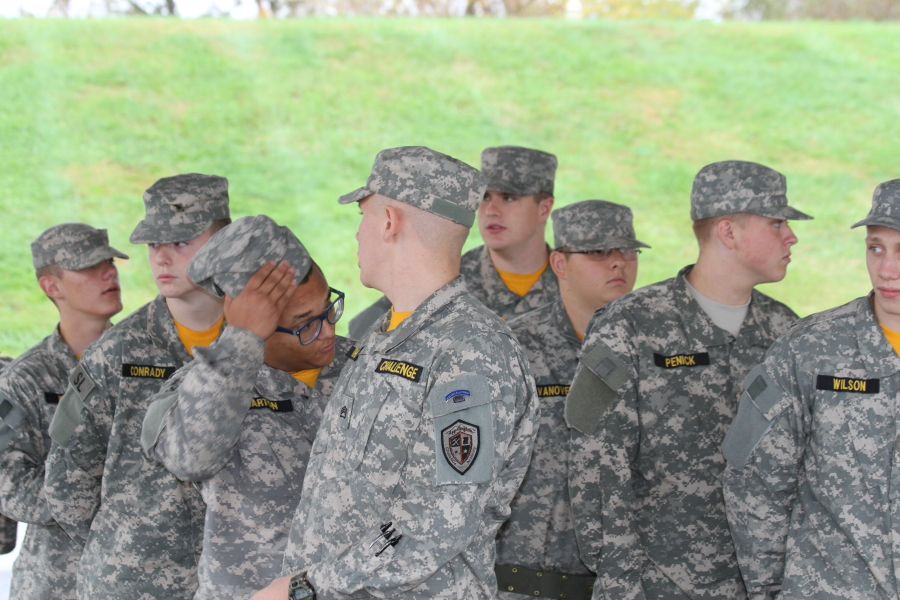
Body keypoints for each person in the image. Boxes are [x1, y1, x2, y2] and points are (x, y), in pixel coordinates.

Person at [251, 146, 539, 600]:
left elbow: (436, 522)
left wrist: (309, 586)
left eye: (362, 216)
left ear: (389, 221)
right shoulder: (385, 332)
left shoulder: (471, 352)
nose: (358, 235)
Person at [565, 160, 812, 599]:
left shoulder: (787, 333)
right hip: (657, 587)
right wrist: (622, 587)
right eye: (776, 223)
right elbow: (595, 467)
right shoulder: (629, 326)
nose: (791, 236)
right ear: (728, 232)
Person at [141, 215, 354, 599]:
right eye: (304, 323)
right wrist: (242, 342)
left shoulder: (362, 366)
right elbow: (190, 459)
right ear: (254, 325)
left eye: (329, 309)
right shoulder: (202, 388)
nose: (328, 331)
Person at [44, 174, 231, 600]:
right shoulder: (114, 353)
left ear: (226, 240)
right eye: (153, 245)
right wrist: (129, 544)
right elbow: (66, 481)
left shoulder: (263, 341)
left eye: (180, 242)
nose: (162, 259)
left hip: (241, 580)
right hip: (135, 586)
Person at [722, 178, 900, 600]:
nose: (888, 268)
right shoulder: (808, 348)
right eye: (876, 247)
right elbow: (752, 477)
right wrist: (770, 591)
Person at [497, 200, 648, 600]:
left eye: (627, 251)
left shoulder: (656, 348)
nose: (618, 263)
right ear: (560, 264)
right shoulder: (513, 348)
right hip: (522, 584)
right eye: (599, 252)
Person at [0, 223, 127, 598]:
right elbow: (9, 484)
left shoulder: (145, 362)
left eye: (108, 261)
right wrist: (116, 493)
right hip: (58, 584)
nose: (109, 272)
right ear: (51, 287)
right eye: (89, 267)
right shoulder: (25, 380)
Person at [347, 145, 557, 337]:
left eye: (509, 198)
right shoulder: (441, 278)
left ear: (544, 208)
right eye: (485, 198)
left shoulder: (578, 282)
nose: (491, 211)